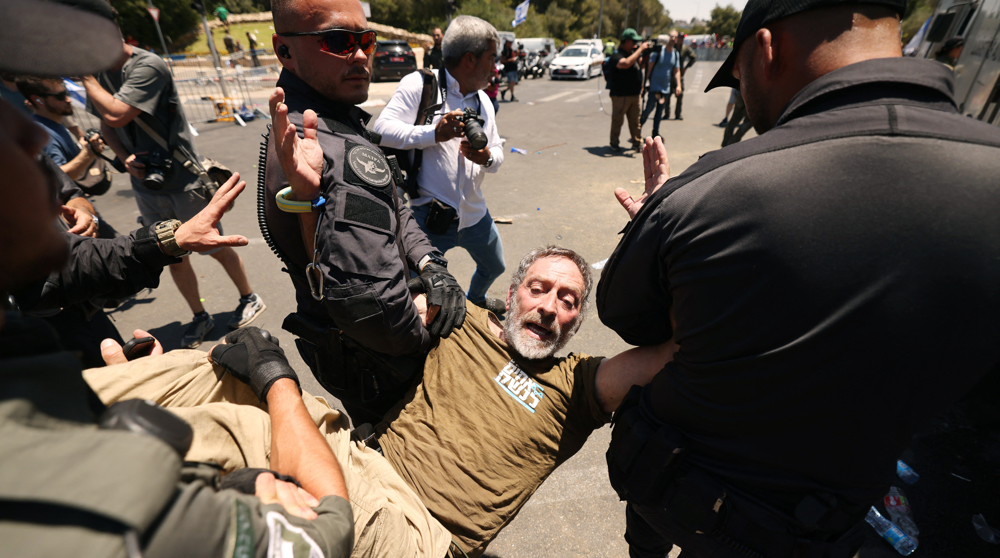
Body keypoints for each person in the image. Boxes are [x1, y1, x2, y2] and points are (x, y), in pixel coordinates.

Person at [598, 1, 1000, 556]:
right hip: (833, 521)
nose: (742, 95)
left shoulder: (711, 193)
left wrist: (661, 219)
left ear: (767, 49)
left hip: (684, 488)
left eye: (738, 77)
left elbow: (625, 316)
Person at [0, 0, 353, 556]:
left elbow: (55, 276)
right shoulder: (44, 474)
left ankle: (235, 295)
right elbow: (322, 535)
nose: (35, 137)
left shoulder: (23, 347)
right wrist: (277, 382)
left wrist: (166, 241)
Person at [86, 245, 678, 558]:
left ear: (576, 324)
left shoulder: (579, 387)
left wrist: (664, 225)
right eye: (540, 289)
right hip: (354, 457)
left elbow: (675, 353)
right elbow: (358, 282)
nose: (551, 306)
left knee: (256, 409)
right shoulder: (461, 318)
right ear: (512, 294)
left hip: (418, 531)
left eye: (569, 300)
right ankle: (59, 423)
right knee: (212, 365)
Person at [265, 0, 466, 425]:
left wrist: (432, 265)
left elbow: (397, 205)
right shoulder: (318, 141)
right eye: (337, 41)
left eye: (365, 40)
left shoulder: (335, 120)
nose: (359, 55)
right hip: (386, 369)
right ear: (284, 50)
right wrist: (433, 341)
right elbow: (377, 311)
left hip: (362, 353)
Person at [82, 29, 266, 349]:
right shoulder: (98, 76)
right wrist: (125, 158)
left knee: (213, 245)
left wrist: (85, 77)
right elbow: (105, 125)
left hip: (184, 180)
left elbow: (116, 112)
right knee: (170, 252)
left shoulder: (145, 66)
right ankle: (199, 316)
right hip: (146, 184)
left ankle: (250, 297)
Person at [374, 15, 508, 317]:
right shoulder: (421, 85)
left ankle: (475, 301)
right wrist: (434, 133)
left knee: (495, 264)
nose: (494, 67)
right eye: (491, 58)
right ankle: (432, 326)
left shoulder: (484, 101)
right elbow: (381, 129)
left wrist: (485, 156)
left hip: (475, 213)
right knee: (419, 283)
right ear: (470, 60)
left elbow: (497, 153)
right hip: (429, 215)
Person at [16, 76, 107, 184]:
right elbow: (58, 178)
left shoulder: (51, 124)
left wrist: (82, 149)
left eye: (66, 93)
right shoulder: (45, 134)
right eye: (59, 96)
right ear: (38, 100)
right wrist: (88, 154)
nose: (68, 100)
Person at [608, 28, 649, 152]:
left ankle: (637, 142)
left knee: (635, 121)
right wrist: (640, 49)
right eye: (633, 42)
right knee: (617, 120)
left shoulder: (633, 53)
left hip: (635, 94)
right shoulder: (616, 55)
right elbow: (625, 64)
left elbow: (640, 66)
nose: (635, 45)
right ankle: (614, 143)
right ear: (626, 42)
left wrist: (645, 55)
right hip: (620, 95)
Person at [639, 36, 680, 139]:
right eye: (672, 36)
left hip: (665, 88)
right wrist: (643, 85)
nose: (673, 39)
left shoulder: (675, 54)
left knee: (659, 112)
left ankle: (655, 133)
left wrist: (678, 85)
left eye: (676, 37)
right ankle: (637, 130)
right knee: (648, 109)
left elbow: (676, 70)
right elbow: (649, 69)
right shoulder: (657, 52)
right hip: (654, 87)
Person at [671, 31, 696, 120]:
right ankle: (666, 113)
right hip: (670, 74)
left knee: (679, 95)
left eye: (682, 38)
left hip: (679, 74)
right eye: (679, 38)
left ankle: (678, 114)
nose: (680, 40)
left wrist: (686, 68)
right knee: (667, 95)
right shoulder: (672, 47)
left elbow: (693, 57)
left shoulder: (685, 49)